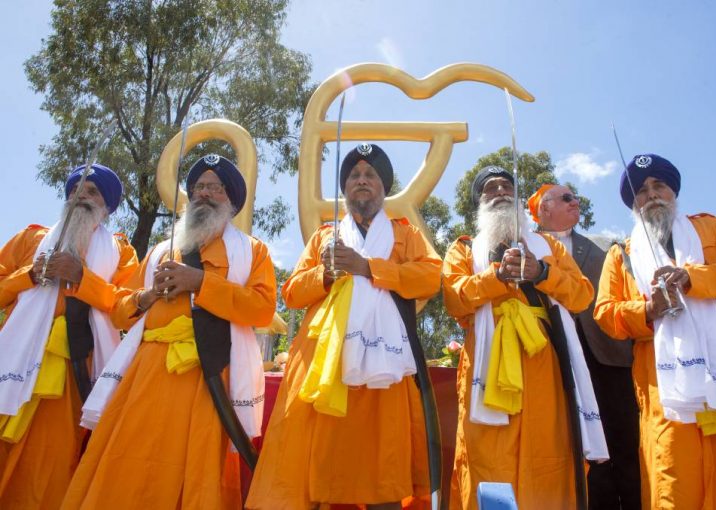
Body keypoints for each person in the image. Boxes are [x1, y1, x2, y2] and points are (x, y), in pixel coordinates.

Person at [61, 154, 277, 509]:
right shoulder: (162, 250)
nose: (204, 194)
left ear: (231, 201)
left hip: (209, 374)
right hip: (147, 372)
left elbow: (263, 308)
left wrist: (201, 283)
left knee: (196, 473)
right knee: (127, 461)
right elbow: (119, 311)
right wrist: (146, 296)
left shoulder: (253, 252)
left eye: (215, 188)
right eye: (198, 188)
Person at [247, 143, 442, 510]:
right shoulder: (325, 236)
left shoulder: (406, 235)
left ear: (384, 187)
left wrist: (367, 268)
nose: (362, 181)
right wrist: (325, 273)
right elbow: (291, 293)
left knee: (382, 468)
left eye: (370, 175)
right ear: (345, 189)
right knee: (313, 465)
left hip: (384, 372)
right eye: (354, 176)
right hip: (325, 365)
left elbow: (431, 278)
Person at [594, 154, 716, 509]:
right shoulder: (621, 255)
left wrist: (694, 278)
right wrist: (648, 309)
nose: (652, 195)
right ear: (634, 204)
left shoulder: (713, 229)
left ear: (673, 191)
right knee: (674, 478)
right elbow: (605, 313)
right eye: (641, 191)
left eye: (659, 185)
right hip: (664, 384)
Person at [443, 166, 606, 510]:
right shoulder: (464, 249)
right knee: (489, 460)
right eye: (490, 189)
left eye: (506, 186)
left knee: (549, 457)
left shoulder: (547, 246)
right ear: (479, 203)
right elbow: (454, 299)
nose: (500, 191)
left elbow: (581, 295)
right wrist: (496, 276)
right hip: (487, 366)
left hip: (544, 364)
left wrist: (542, 272)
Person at [0, 163, 137, 509]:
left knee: (51, 466)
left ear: (107, 206)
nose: (82, 196)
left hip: (76, 372)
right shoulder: (29, 240)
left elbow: (127, 309)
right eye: (78, 190)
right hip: (14, 361)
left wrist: (82, 278)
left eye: (93, 192)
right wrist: (28, 276)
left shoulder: (121, 252)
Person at [529, 184, 640, 509]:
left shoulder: (607, 246)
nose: (575, 201)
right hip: (558, 363)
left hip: (609, 358)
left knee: (625, 442)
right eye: (566, 198)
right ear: (543, 209)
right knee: (581, 450)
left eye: (574, 197)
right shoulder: (528, 248)